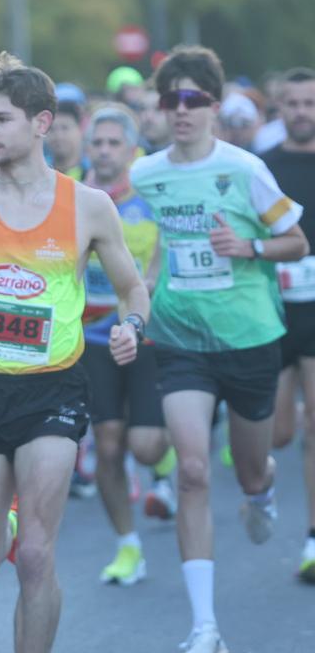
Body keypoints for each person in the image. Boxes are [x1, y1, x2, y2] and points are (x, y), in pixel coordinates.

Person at [0, 52, 150, 653]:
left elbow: (131, 288)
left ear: (42, 124)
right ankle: (5, 518)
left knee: (37, 557)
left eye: (0, 120)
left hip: (53, 389)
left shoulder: (88, 205)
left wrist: (131, 326)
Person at [130, 45, 307, 653]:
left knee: (253, 466)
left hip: (251, 337)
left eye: (193, 99)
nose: (180, 111)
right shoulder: (146, 174)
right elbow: (153, 254)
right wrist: (139, 303)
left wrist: (248, 249)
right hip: (181, 338)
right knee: (195, 470)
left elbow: (297, 242)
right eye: (170, 99)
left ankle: (261, 491)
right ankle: (204, 626)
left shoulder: (246, 169)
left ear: (213, 104)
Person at [79, 105, 174, 586]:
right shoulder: (73, 196)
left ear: (133, 149)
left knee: (147, 444)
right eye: (98, 143)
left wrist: (148, 287)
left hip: (146, 331)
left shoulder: (151, 196)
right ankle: (127, 547)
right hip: (92, 338)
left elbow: (162, 258)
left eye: (115, 143)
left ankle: (168, 451)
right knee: (109, 446)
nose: (105, 151)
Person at [261, 66, 315, 583]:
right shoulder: (263, 166)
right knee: (276, 435)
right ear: (280, 108)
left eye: (310, 103)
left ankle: (314, 539)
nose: (302, 112)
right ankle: (262, 484)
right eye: (294, 103)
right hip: (274, 311)